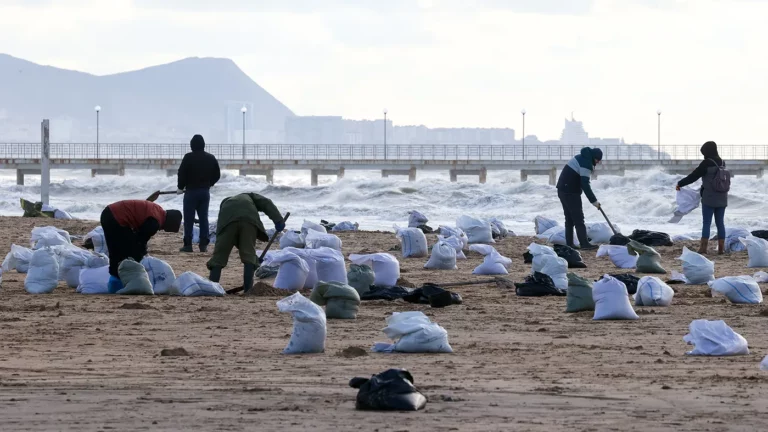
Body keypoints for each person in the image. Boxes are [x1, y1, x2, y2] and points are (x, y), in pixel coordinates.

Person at [207, 193, 285, 292]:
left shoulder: (226, 205)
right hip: (249, 221)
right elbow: (266, 202)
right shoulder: (250, 197)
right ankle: (248, 289)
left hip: (228, 222)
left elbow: (223, 237)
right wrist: (278, 220)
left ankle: (212, 287)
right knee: (248, 255)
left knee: (219, 256)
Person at [100, 200, 182, 293]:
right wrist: (141, 255)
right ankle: (118, 283)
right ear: (168, 224)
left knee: (115, 251)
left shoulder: (158, 211)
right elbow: (139, 240)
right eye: (164, 229)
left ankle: (114, 283)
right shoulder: (154, 222)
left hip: (109, 212)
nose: (161, 230)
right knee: (124, 253)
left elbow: (138, 235)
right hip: (116, 218)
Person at [676, 141, 728, 255]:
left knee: (706, 222)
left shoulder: (706, 163)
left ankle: (703, 248)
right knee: (720, 223)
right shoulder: (722, 162)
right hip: (722, 197)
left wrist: (680, 183)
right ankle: (721, 249)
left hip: (709, 197)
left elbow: (693, 176)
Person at [177, 134, 220, 253]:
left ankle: (188, 245)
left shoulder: (188, 157)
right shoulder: (211, 158)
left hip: (190, 192)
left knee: (189, 219)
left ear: (192, 146)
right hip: (204, 192)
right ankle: (203, 245)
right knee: (203, 218)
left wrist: (180, 187)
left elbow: (181, 173)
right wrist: (209, 184)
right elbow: (217, 175)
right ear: (203, 145)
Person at [556, 147, 603, 250]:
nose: (598, 162)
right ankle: (584, 244)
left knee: (569, 219)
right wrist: (594, 201)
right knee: (579, 219)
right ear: (594, 157)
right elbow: (585, 184)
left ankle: (570, 244)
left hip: (562, 190)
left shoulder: (581, 157)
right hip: (570, 192)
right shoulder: (586, 164)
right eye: (598, 160)